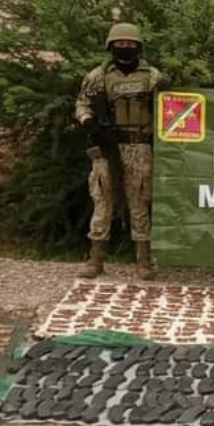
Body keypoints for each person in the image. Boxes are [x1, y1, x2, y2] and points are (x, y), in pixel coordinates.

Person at [74, 22, 169, 280]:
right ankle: (96, 260)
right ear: (111, 46)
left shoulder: (152, 76)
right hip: (107, 146)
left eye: (130, 44)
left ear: (137, 46)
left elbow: (168, 107)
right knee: (102, 200)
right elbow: (82, 105)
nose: (124, 47)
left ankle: (143, 261)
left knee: (139, 202)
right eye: (120, 43)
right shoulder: (97, 76)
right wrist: (89, 124)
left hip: (140, 145)